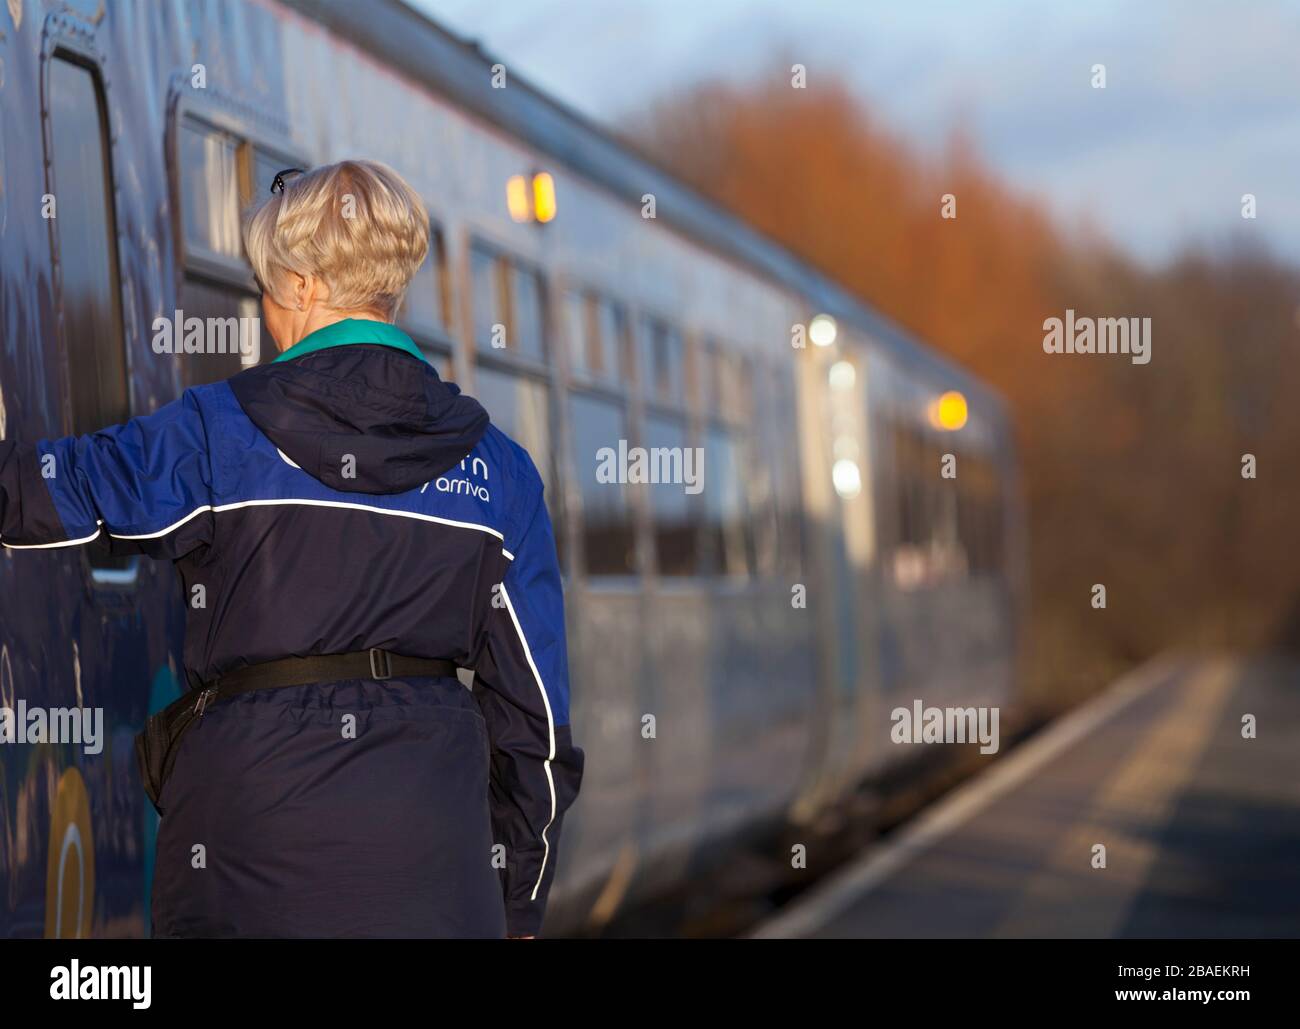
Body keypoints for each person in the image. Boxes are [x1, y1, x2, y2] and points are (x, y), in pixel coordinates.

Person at [0, 159, 584, 938]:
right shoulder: (499, 472)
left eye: (268, 287)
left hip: (248, 868)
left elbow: (51, 491)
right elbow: (535, 731)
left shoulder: (216, 432)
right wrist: (514, 907)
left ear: (305, 285)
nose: (268, 313)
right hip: (437, 880)